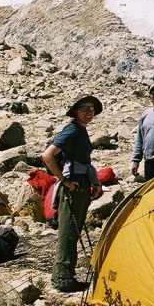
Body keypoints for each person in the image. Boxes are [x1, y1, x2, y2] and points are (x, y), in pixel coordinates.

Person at [42, 95, 102, 292]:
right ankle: (62, 278)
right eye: (84, 109)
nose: (88, 113)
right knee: (68, 232)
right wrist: (64, 180)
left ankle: (66, 274)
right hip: (73, 188)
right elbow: (47, 155)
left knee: (72, 232)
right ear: (76, 111)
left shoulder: (79, 130)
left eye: (91, 109)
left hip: (80, 185)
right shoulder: (72, 130)